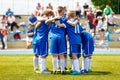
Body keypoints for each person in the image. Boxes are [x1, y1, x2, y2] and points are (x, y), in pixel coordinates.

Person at [33, 9, 54, 74]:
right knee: (43, 54)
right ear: (49, 14)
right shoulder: (47, 20)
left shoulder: (39, 20)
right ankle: (43, 70)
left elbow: (36, 26)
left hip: (36, 39)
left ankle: (37, 68)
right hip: (43, 39)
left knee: (37, 54)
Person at [65, 10, 81, 75]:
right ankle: (74, 69)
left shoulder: (68, 23)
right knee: (74, 55)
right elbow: (81, 29)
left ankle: (77, 70)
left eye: (66, 15)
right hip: (78, 40)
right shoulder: (77, 23)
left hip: (73, 40)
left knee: (74, 55)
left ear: (69, 15)